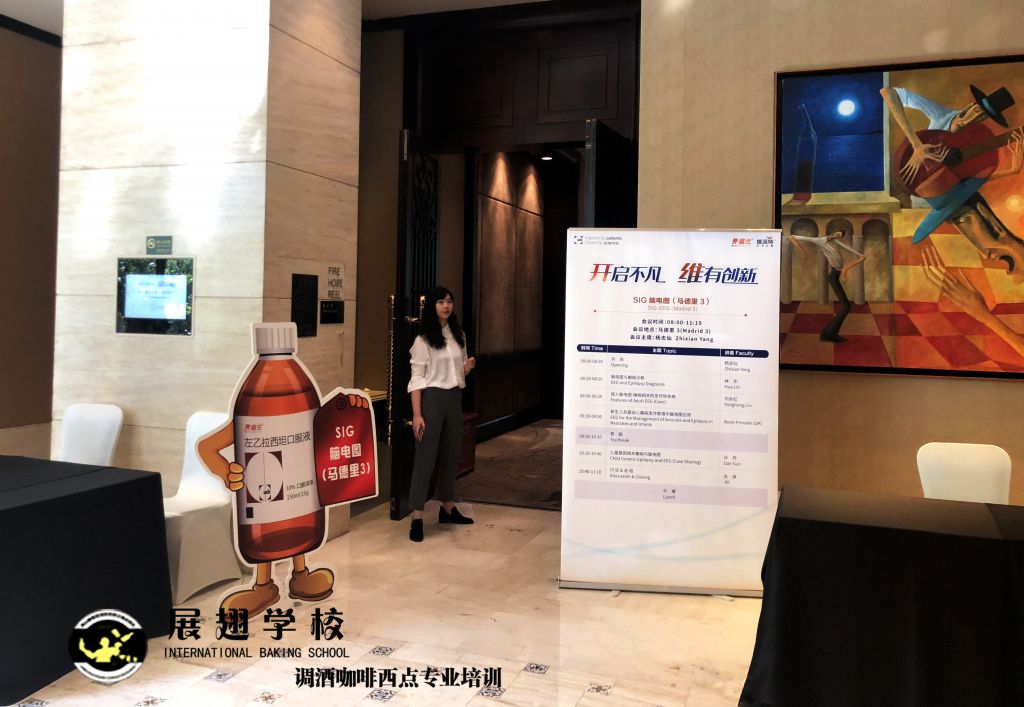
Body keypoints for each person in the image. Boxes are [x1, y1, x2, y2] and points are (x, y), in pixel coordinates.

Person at [880, 84, 1024, 272]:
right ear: (969, 107)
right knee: (967, 218)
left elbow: (970, 178)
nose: (975, 119)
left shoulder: (974, 136)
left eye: (983, 117)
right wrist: (917, 144)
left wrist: (1011, 171)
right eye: (977, 111)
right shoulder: (941, 115)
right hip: (929, 196)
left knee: (980, 217)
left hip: (953, 193)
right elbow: (888, 92)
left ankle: (1010, 251)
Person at [407, 286, 476, 542]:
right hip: (432, 399)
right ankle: (416, 515)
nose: (446, 306)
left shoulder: (459, 335)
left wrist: (467, 367)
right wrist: (417, 415)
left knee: (451, 454)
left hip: (454, 398)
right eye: (440, 302)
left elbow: (459, 371)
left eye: (449, 301)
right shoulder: (423, 339)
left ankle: (447, 507)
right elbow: (417, 379)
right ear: (432, 306)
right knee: (426, 456)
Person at [787, 230, 865, 342]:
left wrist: (859, 258)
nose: (837, 236)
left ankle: (829, 334)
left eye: (839, 236)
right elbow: (791, 237)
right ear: (833, 233)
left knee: (846, 307)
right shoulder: (820, 241)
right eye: (836, 234)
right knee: (846, 307)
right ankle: (828, 334)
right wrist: (803, 252)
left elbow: (846, 256)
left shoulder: (835, 242)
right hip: (833, 276)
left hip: (836, 274)